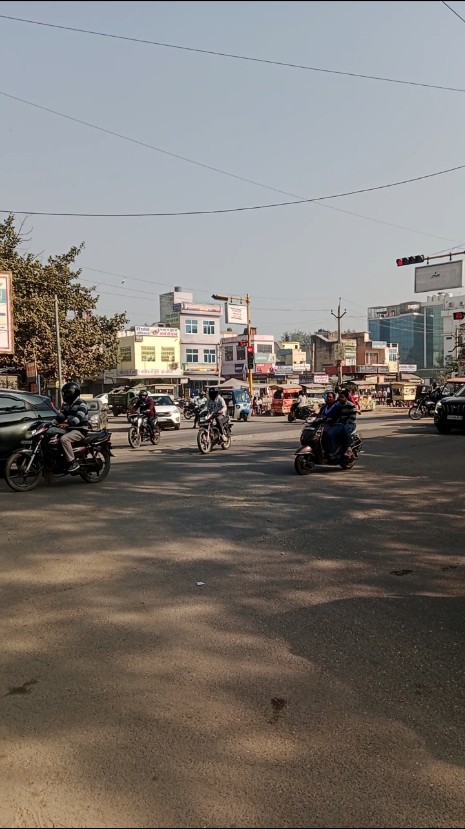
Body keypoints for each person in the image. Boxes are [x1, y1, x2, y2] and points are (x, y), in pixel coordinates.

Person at [55, 381, 89, 473]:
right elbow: (61, 417)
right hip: (70, 429)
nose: (65, 395)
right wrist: (49, 423)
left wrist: (68, 424)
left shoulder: (82, 404)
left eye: (67, 393)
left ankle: (73, 462)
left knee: (64, 439)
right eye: (64, 393)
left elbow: (78, 418)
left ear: (74, 393)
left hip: (80, 430)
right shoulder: (66, 404)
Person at [317, 391, 347, 460]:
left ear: (333, 398)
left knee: (328, 434)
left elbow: (338, 417)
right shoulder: (324, 407)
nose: (329, 398)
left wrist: (331, 419)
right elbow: (319, 415)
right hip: (324, 425)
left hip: (334, 425)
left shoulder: (337, 407)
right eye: (328, 397)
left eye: (330, 397)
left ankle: (332, 452)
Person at [337, 389, 357, 454]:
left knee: (344, 429)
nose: (340, 398)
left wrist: (345, 423)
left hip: (349, 424)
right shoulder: (337, 405)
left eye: (342, 397)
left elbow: (352, 418)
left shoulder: (351, 405)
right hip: (339, 423)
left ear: (346, 398)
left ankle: (349, 447)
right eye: (340, 397)